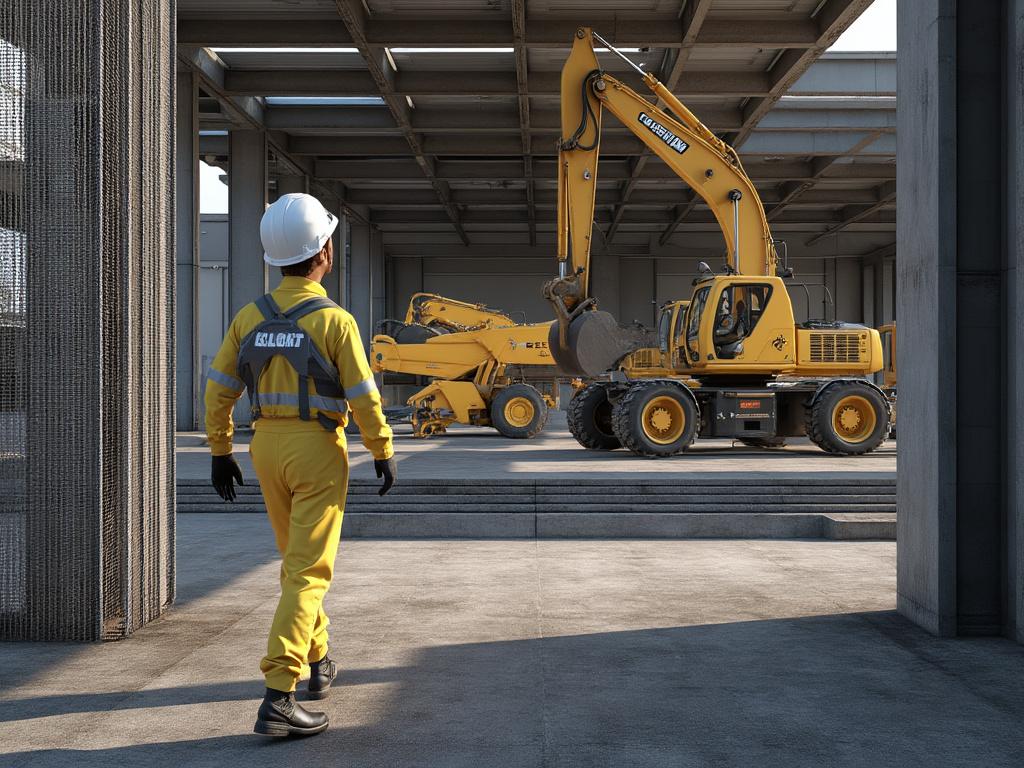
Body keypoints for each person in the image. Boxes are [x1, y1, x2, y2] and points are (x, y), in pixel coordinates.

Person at [204, 193, 396, 738]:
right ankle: (280, 696)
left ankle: (319, 659)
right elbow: (363, 395)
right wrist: (381, 450)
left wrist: (221, 451)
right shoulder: (335, 322)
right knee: (309, 573)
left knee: (295, 562)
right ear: (324, 253)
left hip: (265, 447)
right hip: (316, 451)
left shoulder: (249, 317)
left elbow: (218, 391)